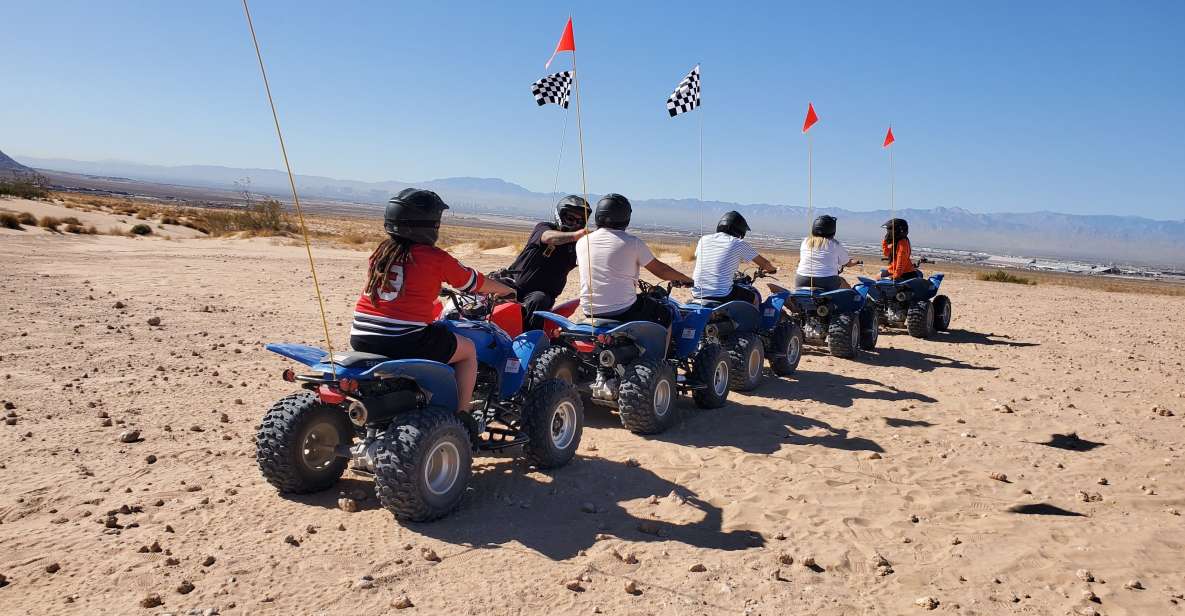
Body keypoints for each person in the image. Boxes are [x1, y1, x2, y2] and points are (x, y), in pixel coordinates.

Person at [350, 188, 515, 412]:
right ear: (428, 225)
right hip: (404, 338)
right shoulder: (435, 258)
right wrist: (505, 290)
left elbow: (403, 289)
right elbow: (474, 282)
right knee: (467, 350)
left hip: (361, 336)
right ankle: (462, 414)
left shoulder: (382, 252)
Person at [576, 193, 692, 327]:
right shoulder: (632, 242)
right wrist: (687, 278)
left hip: (588, 311)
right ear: (626, 217)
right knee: (667, 313)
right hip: (621, 310)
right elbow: (661, 271)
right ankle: (668, 349)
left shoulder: (582, 242)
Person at [494, 195, 590, 329]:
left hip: (539, 295)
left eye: (579, 221)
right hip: (512, 283)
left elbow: (591, 262)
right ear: (560, 215)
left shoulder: (578, 247)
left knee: (538, 300)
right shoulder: (544, 228)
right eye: (570, 218)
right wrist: (575, 236)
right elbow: (547, 237)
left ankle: (531, 341)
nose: (575, 224)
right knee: (483, 287)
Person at [691, 210, 777, 306]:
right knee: (755, 297)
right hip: (722, 294)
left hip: (697, 292)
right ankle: (753, 321)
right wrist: (772, 269)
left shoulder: (704, 239)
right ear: (739, 229)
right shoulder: (737, 243)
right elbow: (764, 263)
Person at [795, 215, 859, 291]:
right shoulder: (834, 244)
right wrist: (857, 262)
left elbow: (801, 260)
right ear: (832, 230)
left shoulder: (805, 242)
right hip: (826, 280)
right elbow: (847, 263)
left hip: (801, 279)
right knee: (846, 289)